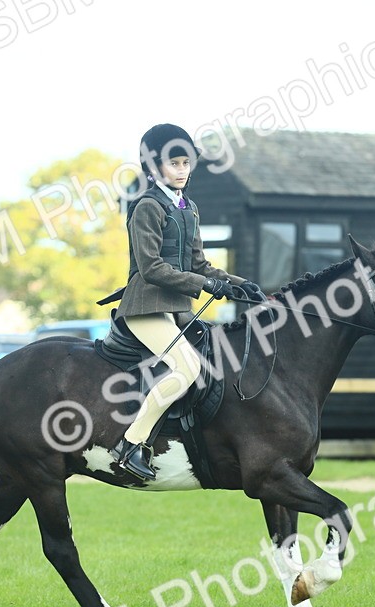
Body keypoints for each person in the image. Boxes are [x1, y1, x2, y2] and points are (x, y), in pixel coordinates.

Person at [110, 123, 264, 480]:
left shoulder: (189, 208)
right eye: (174, 164)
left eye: (186, 163)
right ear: (153, 168)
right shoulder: (146, 207)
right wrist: (206, 284)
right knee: (187, 369)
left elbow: (199, 264)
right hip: (146, 308)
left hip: (177, 311)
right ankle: (130, 445)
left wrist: (240, 284)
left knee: (214, 363)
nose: (182, 170)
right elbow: (152, 268)